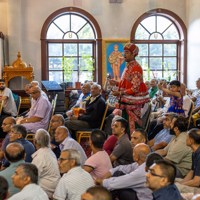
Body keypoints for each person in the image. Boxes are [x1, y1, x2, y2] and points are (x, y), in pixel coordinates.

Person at [109, 43, 149, 134]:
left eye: (127, 52)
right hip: (126, 101)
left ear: (133, 54)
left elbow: (135, 88)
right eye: (124, 52)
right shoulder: (129, 66)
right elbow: (127, 83)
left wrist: (119, 93)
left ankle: (134, 146)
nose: (124, 54)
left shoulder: (135, 67)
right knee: (125, 127)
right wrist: (116, 83)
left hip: (133, 103)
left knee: (132, 128)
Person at [31, 129, 60, 198]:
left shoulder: (40, 156)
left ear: (35, 142)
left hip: (46, 190)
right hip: (54, 187)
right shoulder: (50, 152)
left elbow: (32, 177)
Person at [175, 128, 200, 194]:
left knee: (175, 188)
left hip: (198, 188)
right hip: (196, 182)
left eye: (187, 137)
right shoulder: (195, 153)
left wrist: (180, 186)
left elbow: (197, 182)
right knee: (173, 181)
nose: (185, 139)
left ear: (191, 140)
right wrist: (181, 183)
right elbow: (192, 171)